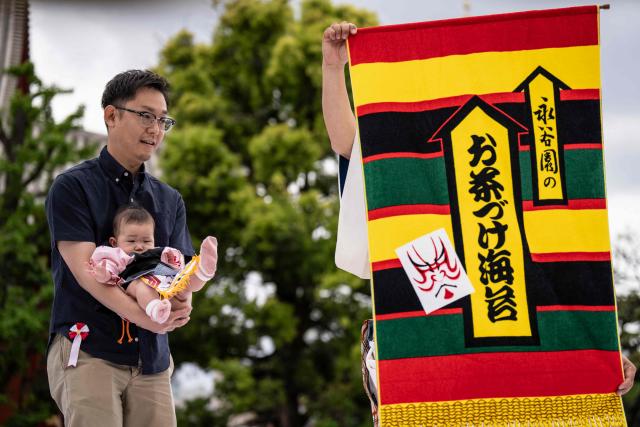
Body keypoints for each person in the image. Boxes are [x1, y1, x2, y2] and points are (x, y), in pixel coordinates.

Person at [320, 20, 637, 414]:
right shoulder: (410, 181)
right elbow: (350, 144)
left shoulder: (533, 207)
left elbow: (561, 302)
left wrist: (600, 357)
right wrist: (335, 69)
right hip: (431, 370)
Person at [45, 69, 217, 427]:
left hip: (152, 360)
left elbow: (176, 273)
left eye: (162, 120)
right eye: (145, 116)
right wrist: (151, 317)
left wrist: (182, 302)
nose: (155, 128)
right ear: (111, 115)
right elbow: (88, 275)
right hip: (89, 349)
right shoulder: (72, 187)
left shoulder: (170, 200)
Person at [88, 204, 217, 325]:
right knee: (143, 288)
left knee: (183, 283)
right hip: (135, 280)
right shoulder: (118, 255)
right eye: (131, 240)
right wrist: (103, 273)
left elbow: (176, 266)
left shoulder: (158, 253)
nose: (139, 246)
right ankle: (155, 308)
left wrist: (181, 272)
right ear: (114, 242)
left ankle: (203, 272)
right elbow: (110, 267)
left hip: (165, 282)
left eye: (146, 240)